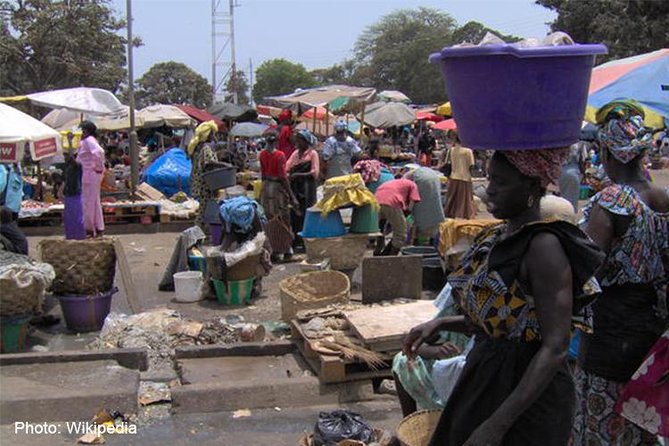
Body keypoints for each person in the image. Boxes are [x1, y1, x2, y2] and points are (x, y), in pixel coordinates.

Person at [403, 149, 604, 445]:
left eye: (500, 182)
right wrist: (441, 323)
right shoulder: (500, 235)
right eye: (489, 178)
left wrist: (497, 425)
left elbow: (556, 346)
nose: (489, 191)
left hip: (527, 396)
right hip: (487, 377)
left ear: (533, 187)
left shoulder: (544, 247)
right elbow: (509, 322)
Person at [572, 111, 669, 445]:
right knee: (641, 425)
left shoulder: (614, 200)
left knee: (602, 427)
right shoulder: (662, 198)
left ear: (609, 152)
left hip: (610, 337)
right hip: (651, 335)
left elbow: (586, 266)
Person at [259, 129, 297, 261]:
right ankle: (287, 249)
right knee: (283, 218)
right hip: (277, 190)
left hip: (266, 188)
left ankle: (275, 250)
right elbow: (283, 177)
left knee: (270, 219)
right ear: (276, 140)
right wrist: (292, 196)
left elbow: (263, 175)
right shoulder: (280, 155)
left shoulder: (262, 154)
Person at [188, 121, 226, 230]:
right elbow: (208, 163)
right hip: (205, 183)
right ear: (207, 134)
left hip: (199, 182)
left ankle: (203, 230)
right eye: (213, 134)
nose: (214, 136)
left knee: (204, 207)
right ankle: (197, 231)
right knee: (203, 209)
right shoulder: (205, 147)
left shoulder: (198, 147)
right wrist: (223, 164)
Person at [286, 129, 319, 251]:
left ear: (306, 141)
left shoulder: (312, 154)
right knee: (295, 213)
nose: (297, 142)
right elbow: (287, 166)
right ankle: (296, 240)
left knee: (307, 212)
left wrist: (298, 175)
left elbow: (315, 173)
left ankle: (306, 241)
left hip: (307, 187)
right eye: (297, 139)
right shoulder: (295, 154)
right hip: (296, 188)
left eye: (300, 140)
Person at [374, 178, 421, 256]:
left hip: (377, 199)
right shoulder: (413, 185)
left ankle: (377, 252)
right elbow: (410, 206)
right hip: (391, 201)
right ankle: (391, 258)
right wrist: (405, 218)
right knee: (401, 233)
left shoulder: (395, 182)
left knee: (381, 229)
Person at [78, 121, 105, 238]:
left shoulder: (89, 140)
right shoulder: (86, 141)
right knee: (93, 201)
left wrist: (98, 167)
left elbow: (99, 152)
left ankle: (89, 228)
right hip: (89, 173)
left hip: (90, 173)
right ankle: (98, 227)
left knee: (88, 202)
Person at [404, 166, 445, 244]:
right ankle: (432, 240)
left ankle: (418, 240)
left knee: (420, 212)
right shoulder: (425, 172)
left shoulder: (408, 179)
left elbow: (410, 199)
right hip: (434, 181)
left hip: (422, 184)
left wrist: (408, 211)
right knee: (434, 207)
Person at [444, 131, 477, 219]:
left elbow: (448, 163)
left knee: (453, 198)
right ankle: (464, 214)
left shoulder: (451, 150)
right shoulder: (468, 151)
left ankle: (451, 213)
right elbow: (471, 166)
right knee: (464, 199)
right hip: (465, 177)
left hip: (453, 176)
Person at [62, 137, 86, 240]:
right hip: (69, 194)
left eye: (66, 155)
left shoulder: (78, 166)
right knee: (69, 218)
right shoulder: (67, 167)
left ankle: (79, 236)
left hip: (76, 194)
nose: (65, 158)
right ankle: (70, 236)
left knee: (77, 218)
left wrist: (70, 142)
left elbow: (72, 159)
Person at [558, 141, 588, 213]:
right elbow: (582, 161)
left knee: (558, 198)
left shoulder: (557, 142)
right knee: (571, 200)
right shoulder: (580, 144)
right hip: (573, 173)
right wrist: (584, 174)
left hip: (557, 171)